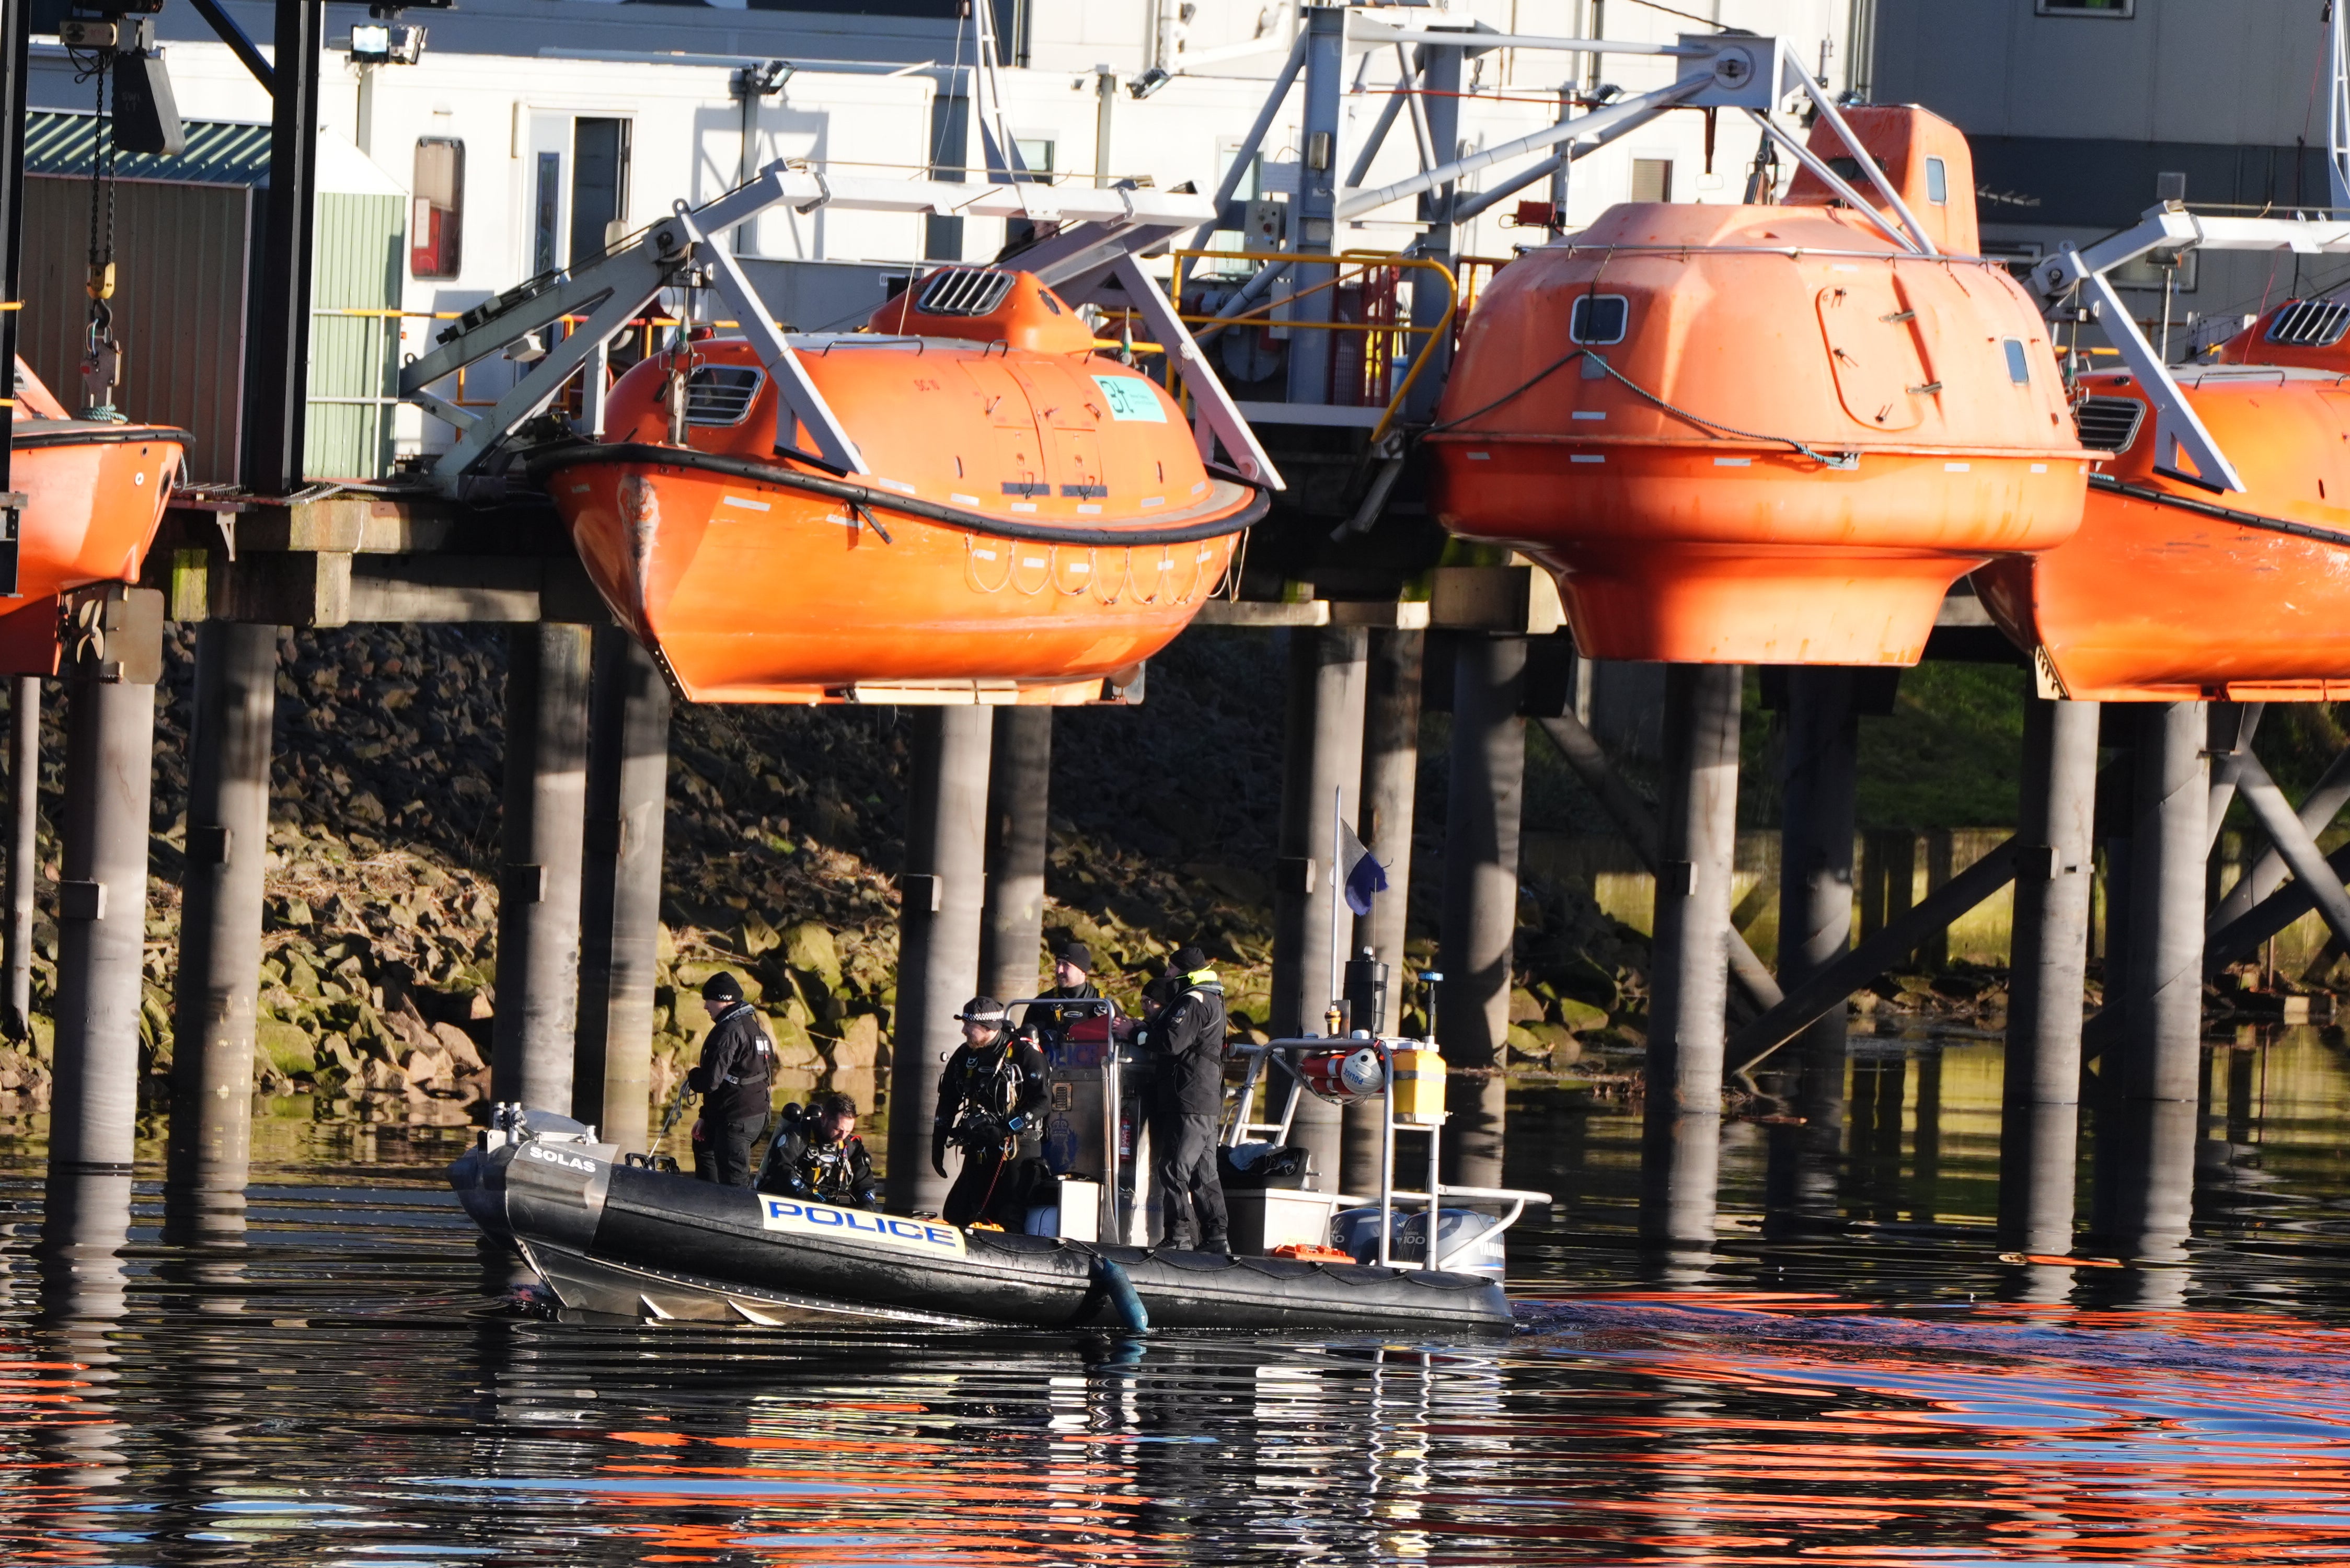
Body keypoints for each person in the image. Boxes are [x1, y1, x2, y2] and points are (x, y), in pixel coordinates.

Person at [931, 996, 1050, 1227]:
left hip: (1017, 1147)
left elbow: (1043, 1103)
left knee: (1008, 1215)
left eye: (969, 1026)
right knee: (957, 1211)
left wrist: (1005, 1130)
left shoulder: (1024, 1055)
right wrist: (938, 1141)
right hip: (980, 1144)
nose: (964, 1031)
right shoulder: (965, 1055)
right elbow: (948, 1099)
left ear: (989, 1028)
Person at [1144, 944, 1230, 1253]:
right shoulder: (1214, 997)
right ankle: (1217, 1238)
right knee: (1204, 1172)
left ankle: (1179, 1235)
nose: (1166, 975)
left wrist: (1134, 1033)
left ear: (1182, 971)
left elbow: (1170, 1042)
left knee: (1173, 1167)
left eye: (1170, 969)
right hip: (1205, 1098)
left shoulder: (1193, 999)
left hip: (1188, 1096)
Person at [687, 972, 776, 1186]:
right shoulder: (755, 1028)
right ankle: (705, 1202)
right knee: (704, 1147)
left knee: (734, 1183)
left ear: (723, 1000)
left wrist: (693, 1076)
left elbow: (711, 1081)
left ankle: (728, 1211)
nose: (706, 1007)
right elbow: (737, 1077)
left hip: (736, 1120)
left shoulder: (728, 1031)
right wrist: (705, 1117)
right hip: (755, 1115)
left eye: (708, 1001)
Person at [756, 1092, 878, 1208]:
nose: (842, 1136)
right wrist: (806, 1196)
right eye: (837, 1129)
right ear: (824, 1119)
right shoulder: (797, 1136)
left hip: (827, 1207)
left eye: (848, 1131)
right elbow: (782, 1168)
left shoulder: (852, 1147)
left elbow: (866, 1185)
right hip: (789, 1201)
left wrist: (867, 1208)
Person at [1030, 941, 1103, 1035]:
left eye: (1066, 965)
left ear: (1083, 971)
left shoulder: (1103, 1005)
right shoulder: (1042, 1004)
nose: (1059, 970)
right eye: (1058, 963)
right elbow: (1023, 1041)